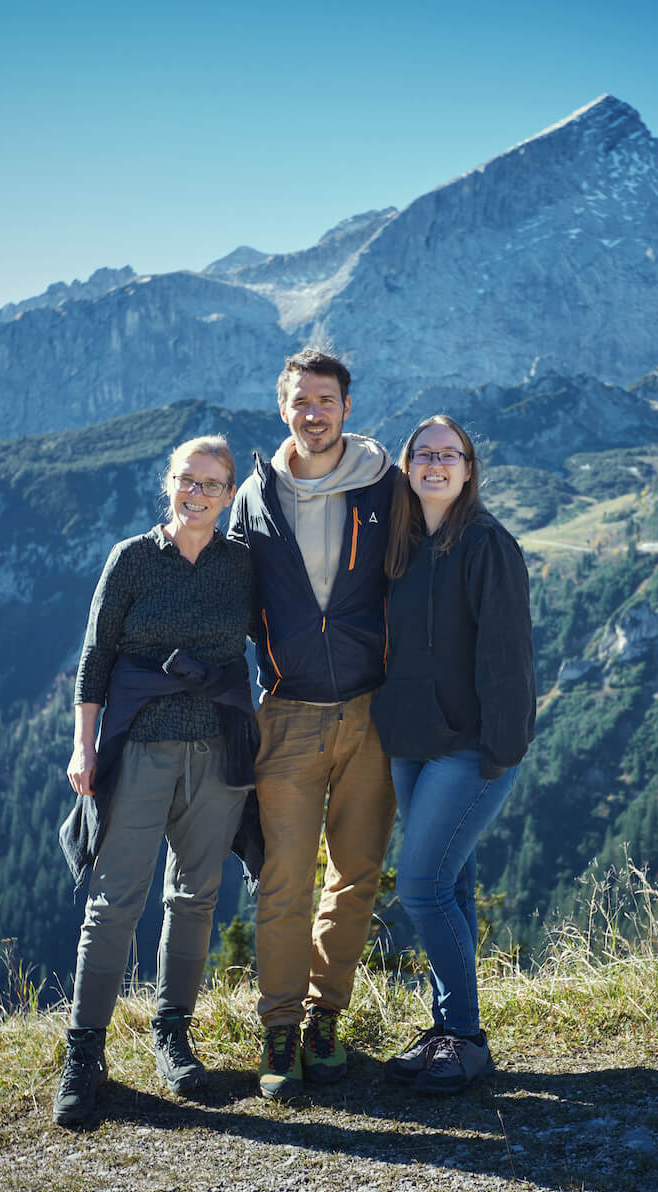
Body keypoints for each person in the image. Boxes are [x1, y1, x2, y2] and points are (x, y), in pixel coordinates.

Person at [53, 435, 256, 1127]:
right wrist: (84, 749)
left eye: (211, 484)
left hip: (219, 749)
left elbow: (283, 635)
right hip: (139, 747)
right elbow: (96, 657)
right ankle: (84, 1053)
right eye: (185, 480)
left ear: (231, 495)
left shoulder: (241, 567)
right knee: (114, 901)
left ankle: (173, 1036)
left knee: (195, 896)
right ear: (166, 485)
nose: (195, 493)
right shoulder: (133, 559)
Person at [227, 348, 400, 1099]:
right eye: (301, 401)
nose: (314, 412)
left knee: (355, 875)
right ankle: (279, 1031)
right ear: (283, 409)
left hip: (373, 712)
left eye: (325, 400)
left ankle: (327, 1019)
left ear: (347, 408)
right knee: (283, 879)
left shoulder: (385, 486)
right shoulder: (253, 499)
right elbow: (227, 604)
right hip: (289, 712)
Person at [372, 414, 536, 1096]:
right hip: (409, 744)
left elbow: (509, 658)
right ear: (407, 467)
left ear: (469, 470)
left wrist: (500, 751)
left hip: (471, 750)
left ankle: (464, 1037)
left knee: (420, 886)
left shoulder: (488, 545)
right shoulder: (400, 546)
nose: (435, 463)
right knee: (454, 884)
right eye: (424, 453)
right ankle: (450, 1027)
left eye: (450, 454)